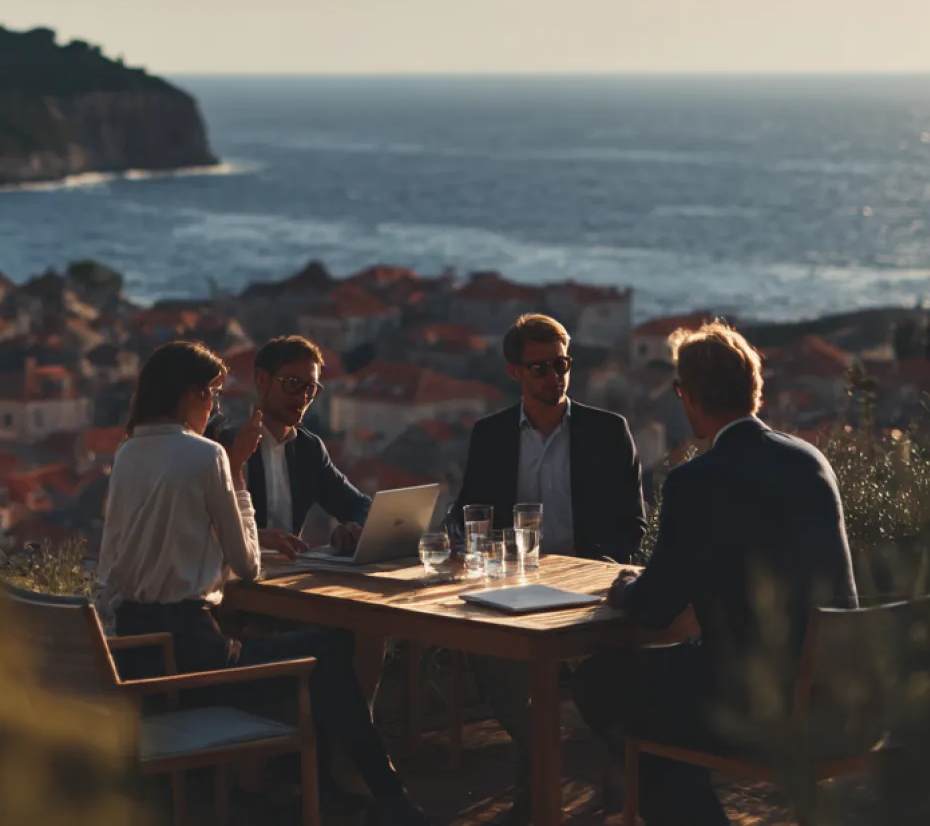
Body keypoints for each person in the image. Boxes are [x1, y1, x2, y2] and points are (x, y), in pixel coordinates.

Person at [99, 340, 431, 826]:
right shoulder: (210, 453)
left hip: (138, 649)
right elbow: (249, 564)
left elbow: (116, 560)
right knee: (332, 651)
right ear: (189, 394)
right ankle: (376, 794)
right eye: (211, 393)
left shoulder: (128, 453)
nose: (215, 403)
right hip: (196, 659)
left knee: (325, 650)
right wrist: (235, 473)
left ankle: (325, 781)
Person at [572, 321, 858, 826]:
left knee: (602, 682)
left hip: (756, 700)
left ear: (688, 397)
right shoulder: (811, 462)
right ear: (755, 387)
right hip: (839, 695)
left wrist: (624, 591)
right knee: (663, 700)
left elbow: (656, 607)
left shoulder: (695, 480)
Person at [449, 313, 646, 821]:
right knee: (486, 651)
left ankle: (540, 775)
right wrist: (461, 544)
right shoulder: (491, 435)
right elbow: (468, 511)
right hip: (515, 585)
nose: (554, 377)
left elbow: (633, 526)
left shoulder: (608, 431)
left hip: (590, 585)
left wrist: (598, 569)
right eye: (540, 368)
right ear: (515, 372)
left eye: (561, 364)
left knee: (602, 670)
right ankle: (542, 757)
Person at [241, 335, 370, 559]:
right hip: (233, 582)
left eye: (310, 389)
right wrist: (255, 536)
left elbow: (359, 506)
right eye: (292, 383)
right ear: (262, 379)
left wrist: (353, 528)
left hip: (287, 578)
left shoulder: (308, 449)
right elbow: (197, 524)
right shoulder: (225, 442)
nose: (302, 397)